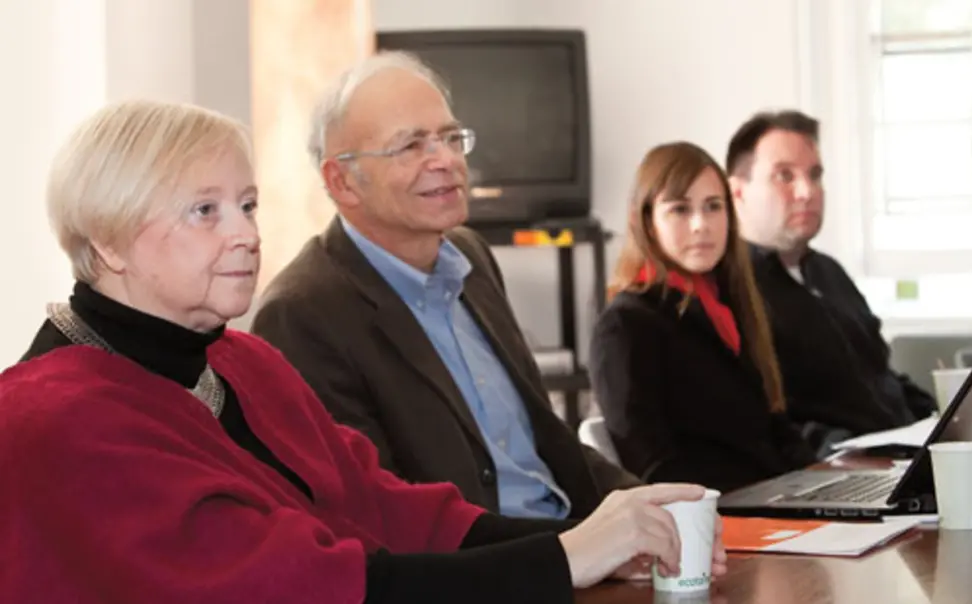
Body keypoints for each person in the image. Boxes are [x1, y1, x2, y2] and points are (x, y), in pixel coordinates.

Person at [0, 100, 727, 602]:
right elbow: (295, 588)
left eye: (248, 205)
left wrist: (597, 540)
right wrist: (565, 559)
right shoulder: (51, 420)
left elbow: (387, 509)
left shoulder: (241, 362)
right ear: (105, 242)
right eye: (204, 211)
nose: (247, 236)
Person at [251, 51, 639, 520]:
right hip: (486, 572)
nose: (447, 161)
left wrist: (651, 504)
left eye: (451, 137)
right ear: (342, 181)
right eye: (411, 146)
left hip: (574, 546)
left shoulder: (470, 256)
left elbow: (546, 440)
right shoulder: (302, 314)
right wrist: (568, 553)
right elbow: (381, 518)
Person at [589, 142, 815, 493]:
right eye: (680, 210)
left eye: (713, 207)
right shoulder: (626, 326)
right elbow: (652, 469)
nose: (701, 225)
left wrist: (819, 483)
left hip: (773, 502)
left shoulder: (730, 305)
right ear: (646, 222)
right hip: (717, 520)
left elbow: (774, 428)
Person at [726, 110, 936, 454]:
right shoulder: (732, 290)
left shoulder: (829, 272)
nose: (807, 191)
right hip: (834, 470)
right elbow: (761, 420)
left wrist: (942, 422)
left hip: (903, 455)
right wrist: (847, 452)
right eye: (784, 175)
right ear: (738, 192)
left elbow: (881, 376)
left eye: (815, 175)